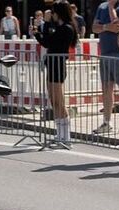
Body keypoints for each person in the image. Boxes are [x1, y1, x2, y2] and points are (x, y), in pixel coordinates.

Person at [92, 0, 119, 134]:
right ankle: (106, 122)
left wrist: (111, 7)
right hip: (105, 53)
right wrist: (105, 27)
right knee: (106, 89)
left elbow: (118, 26)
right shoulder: (101, 6)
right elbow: (94, 28)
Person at [39, 1, 77, 143]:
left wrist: (47, 24)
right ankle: (59, 132)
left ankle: (65, 135)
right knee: (53, 100)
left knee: (59, 100)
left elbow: (49, 42)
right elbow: (46, 40)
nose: (51, 15)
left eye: (53, 12)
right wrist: (38, 32)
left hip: (58, 65)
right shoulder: (58, 27)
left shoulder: (66, 28)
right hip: (51, 63)